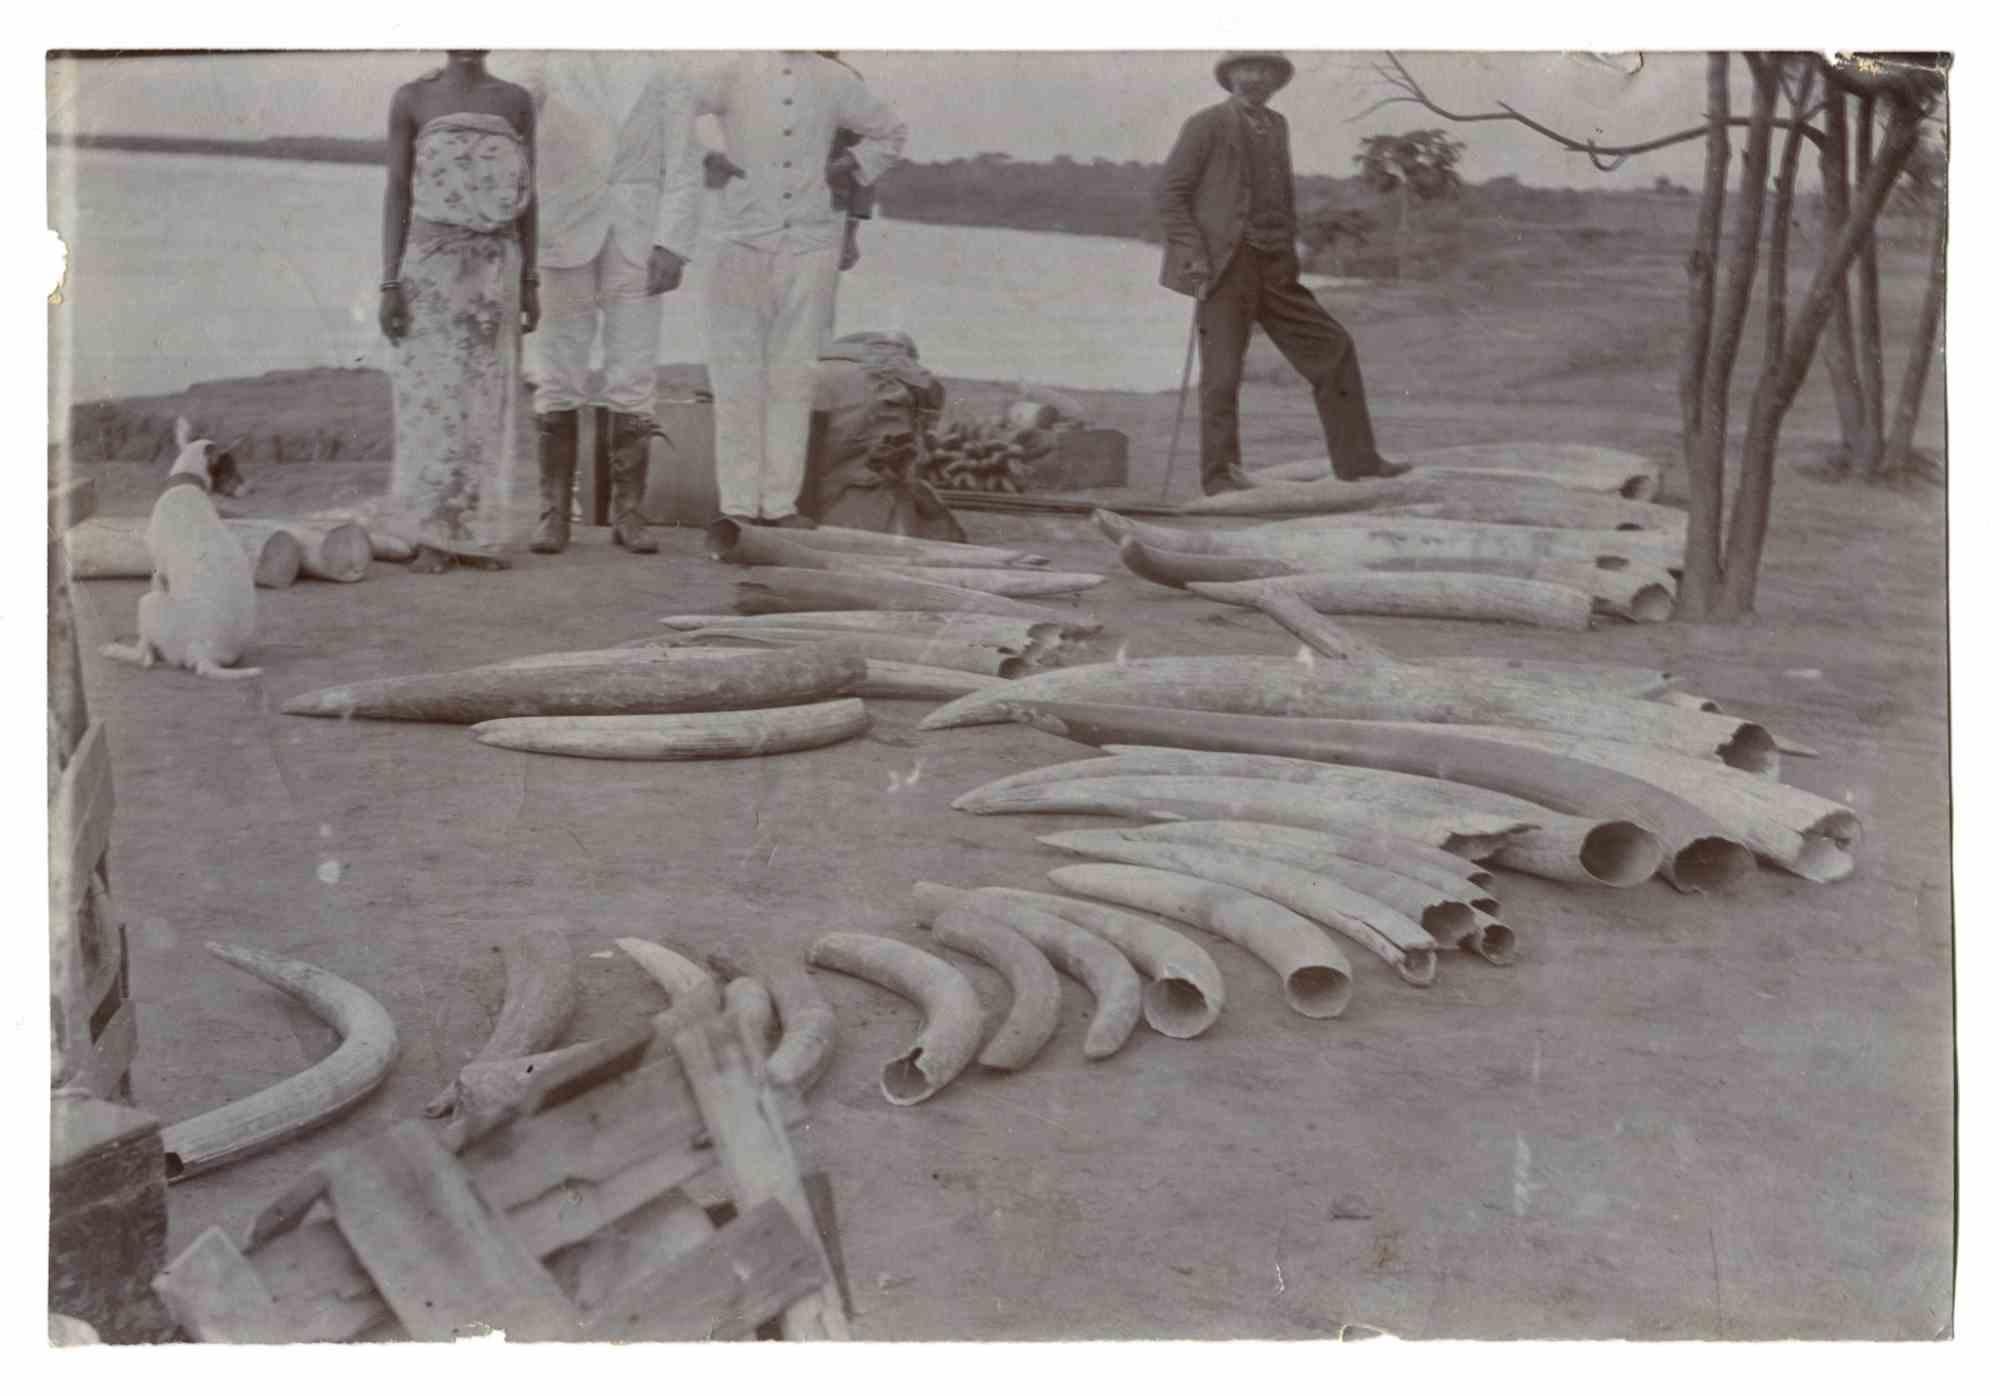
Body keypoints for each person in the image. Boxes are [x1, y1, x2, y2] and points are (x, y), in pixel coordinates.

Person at [1157, 52, 1407, 494]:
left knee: (1334, 348)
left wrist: (1290, 252)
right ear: (1230, 77)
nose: (1255, 78)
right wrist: (1194, 253)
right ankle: (1220, 478)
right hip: (1223, 268)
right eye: (1245, 69)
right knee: (1222, 375)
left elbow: (1282, 195)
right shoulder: (1206, 123)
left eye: (1265, 71)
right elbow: (1171, 193)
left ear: (1277, 81)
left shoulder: (1278, 126)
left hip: (1275, 266)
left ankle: (1358, 462)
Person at [688, 52, 907, 531]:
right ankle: (738, 506)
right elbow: (668, 106)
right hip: (736, 238)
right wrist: (703, 157)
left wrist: (848, 164)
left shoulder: (835, 79)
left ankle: (780, 504)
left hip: (810, 243)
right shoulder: (731, 68)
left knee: (795, 374)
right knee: (736, 374)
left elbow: (891, 131)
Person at [509, 51, 703, 555]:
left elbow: (684, 163)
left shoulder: (665, 65)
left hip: (637, 238)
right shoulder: (545, 56)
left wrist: (673, 243)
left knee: (634, 371)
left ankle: (628, 512)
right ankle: (555, 512)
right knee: (556, 369)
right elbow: (512, 125)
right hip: (560, 229)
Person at [378, 51, 538, 572]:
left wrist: (531, 280)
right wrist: (390, 282)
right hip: (430, 267)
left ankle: (475, 533)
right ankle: (432, 534)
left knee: (487, 401)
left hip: (496, 268)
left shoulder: (515, 102)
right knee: (432, 401)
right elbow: (398, 192)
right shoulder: (413, 99)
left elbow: (529, 199)